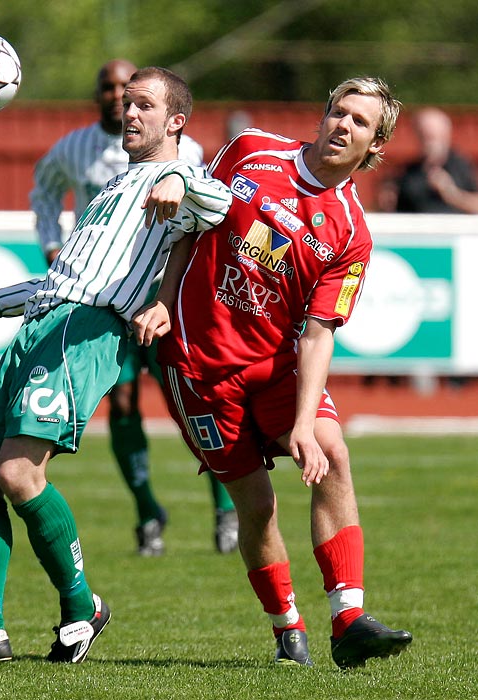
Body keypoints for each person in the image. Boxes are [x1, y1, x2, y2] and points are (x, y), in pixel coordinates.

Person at [0, 66, 233, 666]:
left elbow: (222, 206)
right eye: (127, 103)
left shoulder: (181, 175)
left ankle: (82, 606)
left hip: (85, 334)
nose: (130, 112)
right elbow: (70, 274)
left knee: (18, 474)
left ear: (175, 121)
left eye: (144, 104)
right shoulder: (118, 186)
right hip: (39, 324)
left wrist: (185, 189)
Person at [133, 76, 413, 669]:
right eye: (339, 112)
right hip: (198, 365)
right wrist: (162, 297)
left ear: (374, 145)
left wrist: (306, 424)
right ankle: (289, 628)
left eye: (360, 122)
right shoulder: (252, 149)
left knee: (332, 452)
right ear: (323, 115)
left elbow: (318, 335)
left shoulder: (351, 232)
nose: (343, 125)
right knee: (256, 507)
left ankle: (349, 618)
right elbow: (194, 222)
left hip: (277, 368)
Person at [30, 59, 238, 556]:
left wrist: (185, 182)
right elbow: (42, 191)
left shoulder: (182, 151)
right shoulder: (74, 147)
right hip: (100, 297)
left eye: (137, 95)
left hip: (163, 296)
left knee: (189, 400)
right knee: (121, 403)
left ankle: (226, 509)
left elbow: (208, 214)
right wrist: (52, 248)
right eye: (115, 92)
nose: (122, 101)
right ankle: (147, 512)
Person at [381, 106, 478, 214]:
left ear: (446, 135)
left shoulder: (462, 167)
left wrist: (453, 194)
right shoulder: (408, 173)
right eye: (424, 136)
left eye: (433, 137)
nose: (429, 143)